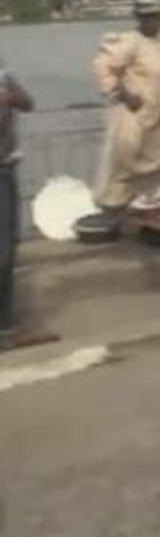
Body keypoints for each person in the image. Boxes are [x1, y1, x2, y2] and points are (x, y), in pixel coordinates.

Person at [92, 0, 160, 214]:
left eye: (158, 17)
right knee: (123, 166)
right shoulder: (130, 40)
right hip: (134, 116)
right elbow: (103, 65)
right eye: (148, 17)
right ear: (140, 19)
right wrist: (123, 93)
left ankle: (150, 212)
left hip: (159, 119)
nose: (154, 22)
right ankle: (112, 215)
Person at [0, 62, 57, 350]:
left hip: (8, 166)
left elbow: (27, 103)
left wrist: (10, 95)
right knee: (2, 251)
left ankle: (7, 326)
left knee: (10, 246)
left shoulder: (3, 74)